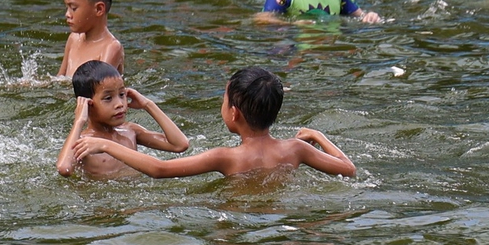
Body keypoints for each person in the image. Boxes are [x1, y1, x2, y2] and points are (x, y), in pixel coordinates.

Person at [72, 66, 356, 180]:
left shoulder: (225, 157)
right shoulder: (296, 148)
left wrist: (100, 143)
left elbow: (160, 169)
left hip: (235, 218)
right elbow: (348, 169)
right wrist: (317, 135)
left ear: (233, 114)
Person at [55, 59, 190, 178]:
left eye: (122, 94)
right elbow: (64, 168)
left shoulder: (130, 131)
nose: (120, 104)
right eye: (108, 98)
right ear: (88, 105)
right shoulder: (84, 142)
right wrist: (79, 121)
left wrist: (148, 105)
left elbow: (179, 145)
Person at [58, 0, 124, 76]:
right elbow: (59, 79)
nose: (67, 14)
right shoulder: (73, 39)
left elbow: (98, 88)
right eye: (67, 8)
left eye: (73, 8)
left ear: (99, 9)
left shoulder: (111, 47)